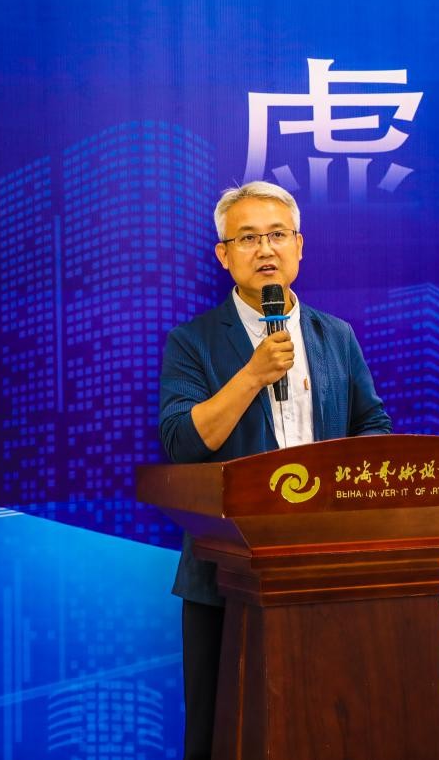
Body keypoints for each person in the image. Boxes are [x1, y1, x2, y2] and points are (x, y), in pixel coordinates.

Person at [158, 181, 391, 760]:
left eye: (277, 234)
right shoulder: (192, 342)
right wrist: (253, 375)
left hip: (323, 564)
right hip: (225, 571)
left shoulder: (335, 335)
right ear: (224, 254)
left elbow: (373, 425)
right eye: (248, 238)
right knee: (221, 730)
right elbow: (182, 442)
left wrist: (341, 495)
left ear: (299, 246)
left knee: (325, 723)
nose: (265, 249)